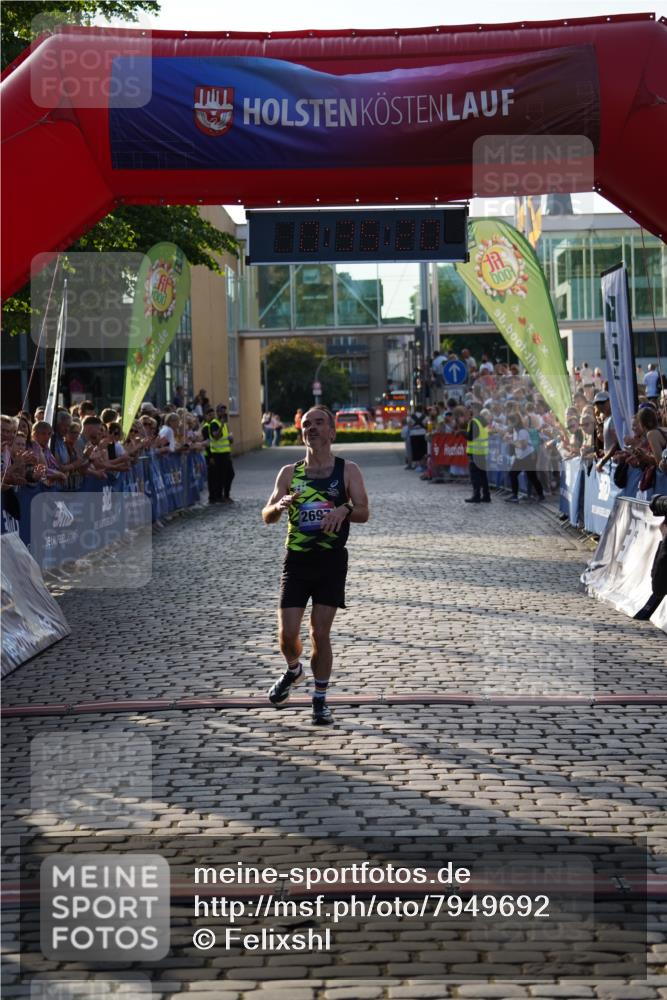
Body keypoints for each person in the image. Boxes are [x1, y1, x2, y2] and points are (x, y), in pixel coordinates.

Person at [261, 405, 370, 726]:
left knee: (319, 633)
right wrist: (279, 506)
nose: (312, 428)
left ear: (332, 432)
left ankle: (320, 700)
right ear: (302, 432)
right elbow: (266, 516)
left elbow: (364, 510)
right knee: (286, 635)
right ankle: (294, 670)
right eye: (307, 424)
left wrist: (345, 510)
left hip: (331, 561)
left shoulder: (347, 470)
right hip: (296, 562)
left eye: (319, 423)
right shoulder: (288, 473)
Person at [504, 413, 544, 502]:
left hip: (528, 456)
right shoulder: (515, 430)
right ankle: (515, 495)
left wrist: (510, 441)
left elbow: (523, 446)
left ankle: (540, 495)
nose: (508, 424)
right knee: (515, 474)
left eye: (509, 422)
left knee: (531, 476)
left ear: (514, 422)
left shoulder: (522, 431)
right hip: (521, 457)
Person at [465, 402, 491, 503]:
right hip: (482, 452)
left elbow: (471, 437)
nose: (470, 410)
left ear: (476, 409)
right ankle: (486, 495)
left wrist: (461, 432)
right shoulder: (483, 421)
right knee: (483, 476)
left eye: (471, 408)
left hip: (475, 452)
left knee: (475, 476)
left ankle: (476, 496)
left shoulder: (474, 421)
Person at [208, 404, 235, 502]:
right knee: (220, 476)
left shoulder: (225, 425)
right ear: (217, 412)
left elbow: (227, 439)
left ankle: (226, 494)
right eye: (221, 411)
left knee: (230, 474)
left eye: (224, 411)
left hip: (226, 453)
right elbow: (216, 437)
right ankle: (220, 496)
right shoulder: (214, 424)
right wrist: (222, 425)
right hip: (217, 454)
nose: (223, 414)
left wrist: (231, 439)